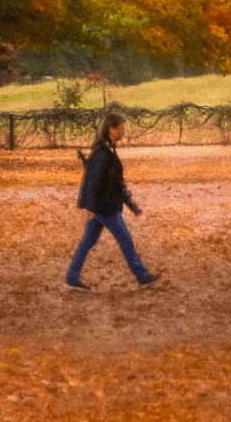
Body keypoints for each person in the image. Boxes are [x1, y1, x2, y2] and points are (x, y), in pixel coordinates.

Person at [64, 111, 162, 292]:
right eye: (121, 128)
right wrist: (93, 207)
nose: (123, 132)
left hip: (101, 206)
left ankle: (72, 276)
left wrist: (130, 205)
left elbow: (106, 179)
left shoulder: (105, 149)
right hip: (105, 207)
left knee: (88, 241)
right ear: (112, 129)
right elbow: (95, 181)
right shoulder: (104, 153)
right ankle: (142, 277)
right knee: (125, 241)